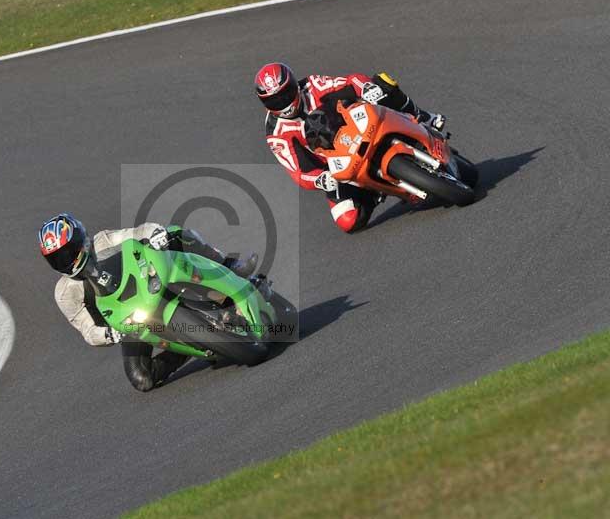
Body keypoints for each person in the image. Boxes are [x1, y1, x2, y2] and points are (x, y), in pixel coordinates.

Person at [38, 213, 258, 392]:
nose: (66, 262)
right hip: (128, 322)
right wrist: (110, 334)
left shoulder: (103, 241)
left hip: (148, 284)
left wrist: (155, 233)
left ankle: (230, 266)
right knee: (142, 378)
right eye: (57, 258)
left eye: (68, 253)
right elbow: (86, 329)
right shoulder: (65, 293)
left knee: (175, 233)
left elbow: (137, 232)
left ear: (80, 240)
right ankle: (192, 346)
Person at [255, 62, 446, 233]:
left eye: (286, 94)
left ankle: (422, 117)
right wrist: (320, 179)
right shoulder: (276, 133)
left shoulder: (313, 85)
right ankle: (374, 190)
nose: (284, 103)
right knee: (347, 220)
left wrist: (366, 88)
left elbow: (351, 81)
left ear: (294, 84)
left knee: (383, 82)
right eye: (275, 101)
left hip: (358, 127)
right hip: (337, 164)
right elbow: (298, 172)